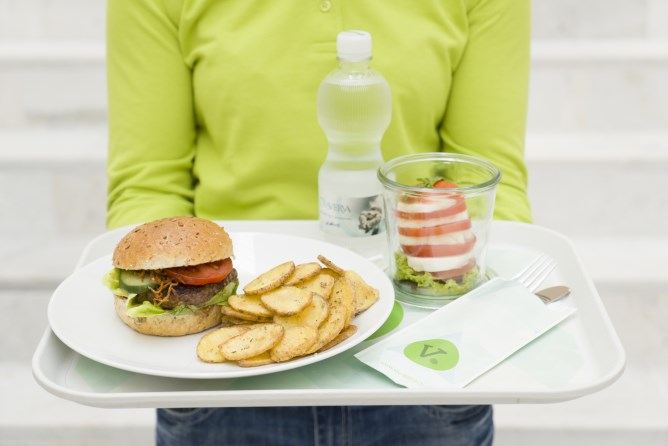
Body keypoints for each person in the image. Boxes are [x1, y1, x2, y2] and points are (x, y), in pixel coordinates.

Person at [106, 1, 531, 445]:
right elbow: (146, 183)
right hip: (219, 381)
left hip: (421, 360)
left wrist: (486, 310)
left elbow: (486, 182)